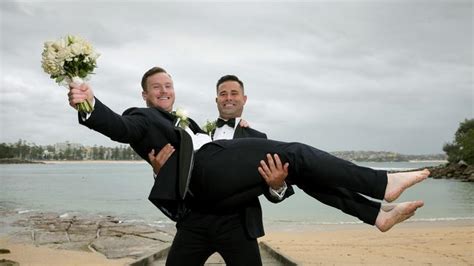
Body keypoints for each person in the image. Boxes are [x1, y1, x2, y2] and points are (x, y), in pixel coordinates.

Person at [68, 66, 428, 237]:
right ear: (144, 95)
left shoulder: (193, 126)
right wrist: (90, 105)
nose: (164, 91)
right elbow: (121, 128)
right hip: (202, 196)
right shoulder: (144, 118)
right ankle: (382, 183)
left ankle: (375, 214)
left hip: (234, 212)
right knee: (299, 153)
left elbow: (278, 193)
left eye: (169, 86)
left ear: (243, 100)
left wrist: (276, 185)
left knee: (301, 169)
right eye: (156, 88)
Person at [157, 74, 293, 265]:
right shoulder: (197, 134)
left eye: (234, 93)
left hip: (239, 222)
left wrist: (277, 185)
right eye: (223, 94)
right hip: (195, 220)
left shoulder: (259, 138)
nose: (228, 97)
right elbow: (180, 173)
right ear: (217, 99)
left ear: (244, 99)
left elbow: (270, 189)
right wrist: (159, 171)